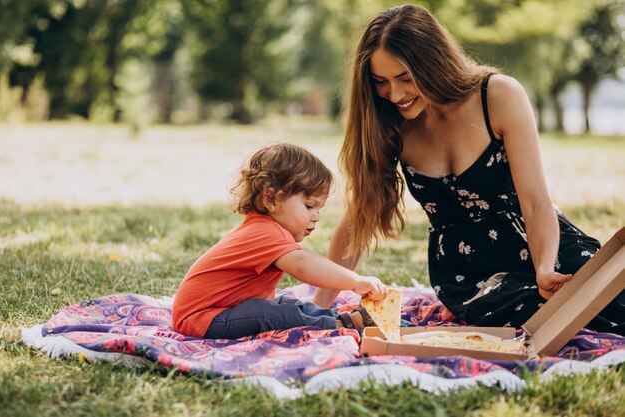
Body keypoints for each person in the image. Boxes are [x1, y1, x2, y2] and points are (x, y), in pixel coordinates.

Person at [313, 4, 624, 335]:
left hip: (540, 242)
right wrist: (317, 305)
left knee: (606, 295)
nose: (396, 94)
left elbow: (534, 202)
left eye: (406, 78)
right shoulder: (388, 123)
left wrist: (544, 268)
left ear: (433, 64)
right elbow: (360, 217)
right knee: (540, 317)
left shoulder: (498, 95)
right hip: (468, 273)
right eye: (381, 82)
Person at [172, 143, 386, 339]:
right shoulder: (264, 232)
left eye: (318, 209)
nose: (316, 217)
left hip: (223, 310)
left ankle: (339, 317)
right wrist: (355, 281)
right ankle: (340, 324)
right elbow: (303, 265)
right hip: (202, 319)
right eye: (309, 206)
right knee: (267, 312)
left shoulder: (265, 228)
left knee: (287, 304)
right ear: (271, 199)